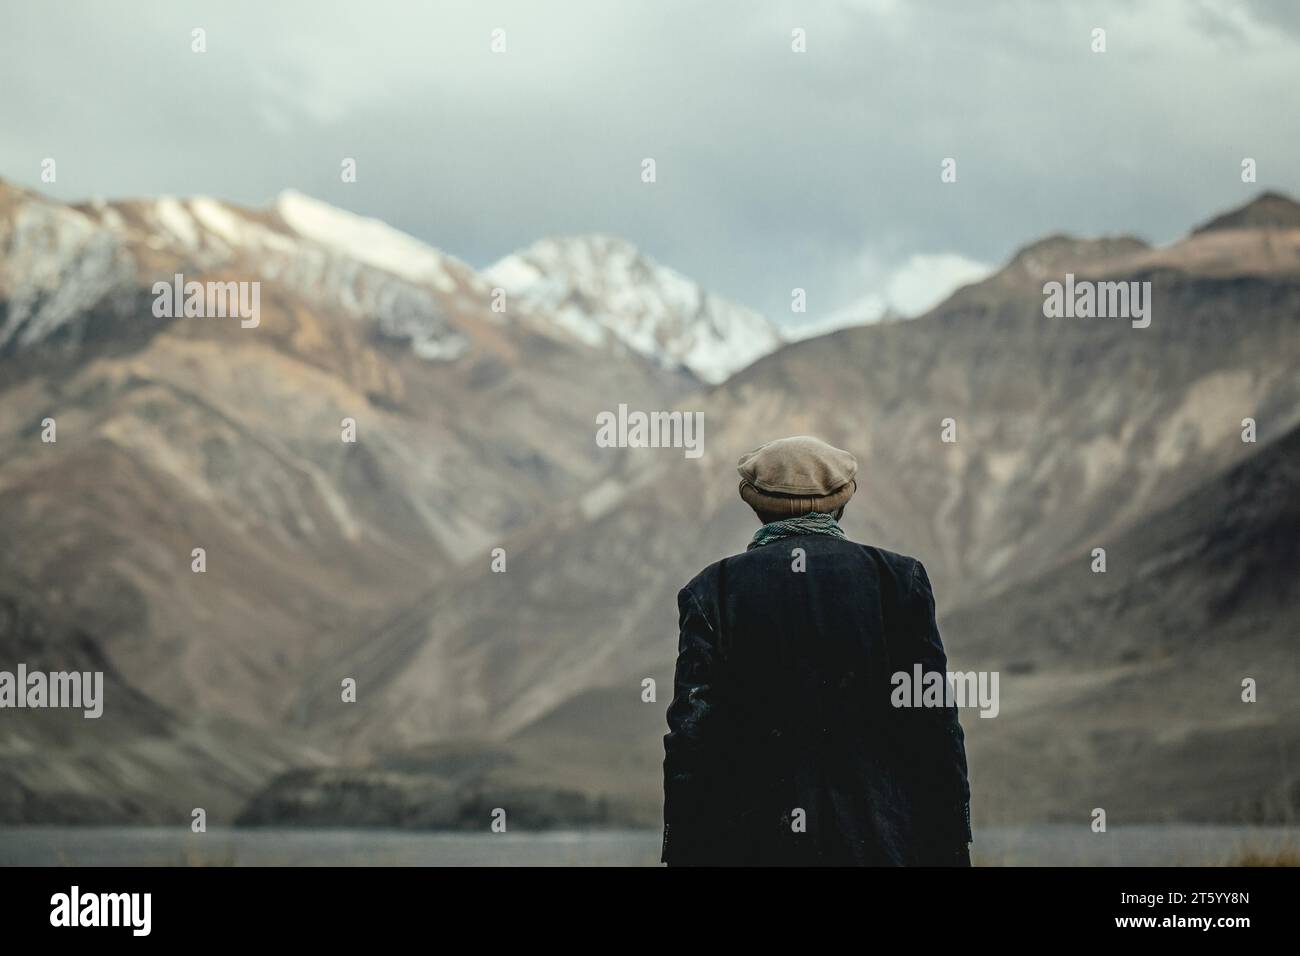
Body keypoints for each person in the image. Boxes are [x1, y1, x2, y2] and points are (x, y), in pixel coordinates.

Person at [661, 435, 972, 866]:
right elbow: (935, 725)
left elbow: (692, 734)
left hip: (748, 846)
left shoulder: (712, 591)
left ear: (756, 504)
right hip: (882, 845)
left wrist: (684, 850)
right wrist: (952, 839)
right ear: (841, 503)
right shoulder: (898, 581)